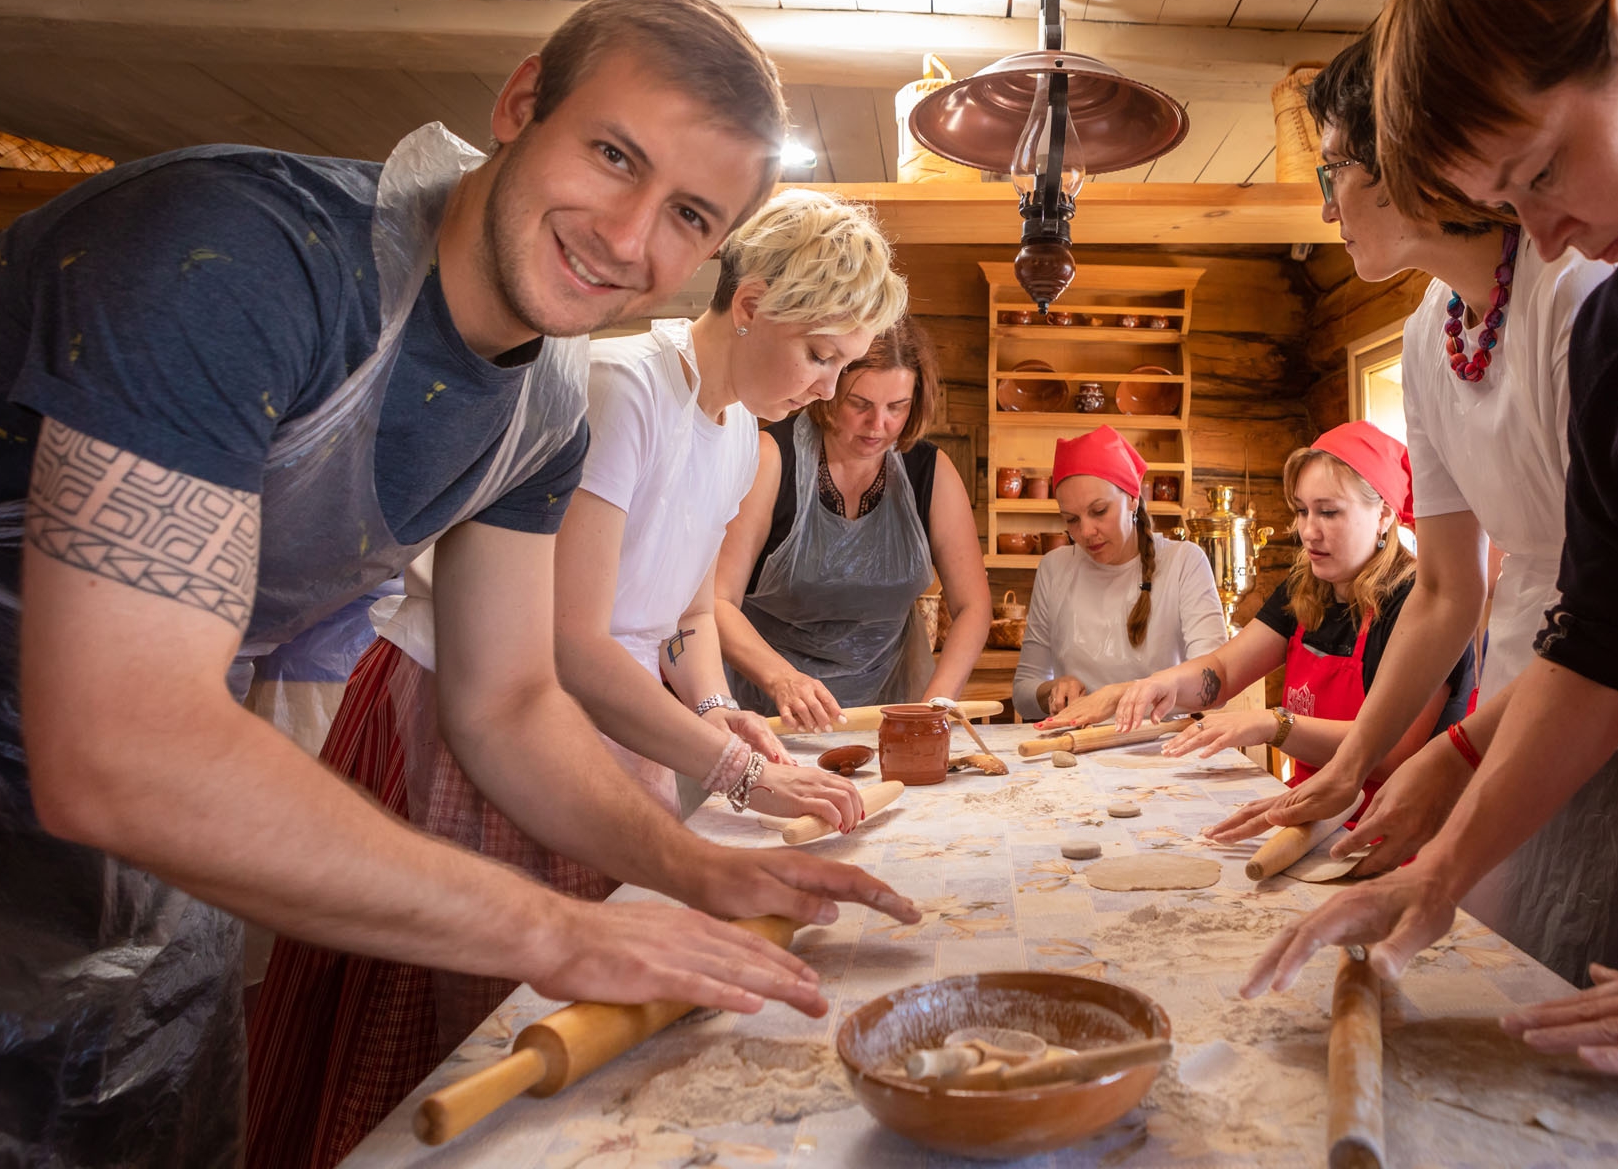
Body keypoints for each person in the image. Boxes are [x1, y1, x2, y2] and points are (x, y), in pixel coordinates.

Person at [0, 0, 918, 1165]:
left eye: (687, 214)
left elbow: (507, 701)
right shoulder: (242, 256)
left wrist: (694, 866)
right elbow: (123, 742)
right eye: (612, 154)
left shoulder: (541, 405)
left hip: (149, 858)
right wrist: (556, 934)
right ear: (518, 105)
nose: (625, 235)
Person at [245, 189, 907, 1163]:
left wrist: (722, 709)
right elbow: (572, 641)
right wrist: (740, 773)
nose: (826, 388)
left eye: (846, 366)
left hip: (609, 714)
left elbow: (680, 616)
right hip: (478, 704)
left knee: (611, 980)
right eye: (821, 356)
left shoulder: (736, 437)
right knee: (487, 1012)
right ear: (753, 301)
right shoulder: (619, 385)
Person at [1243, 0, 1618, 1082]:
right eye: (1510, 201)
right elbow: (1603, 639)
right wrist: (1443, 868)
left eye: (1542, 170)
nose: (1544, 230)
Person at [1048, 423, 1473, 818]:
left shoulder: (1417, 602)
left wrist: (1273, 724)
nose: (1308, 531)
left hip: (1404, 827)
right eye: (1303, 511)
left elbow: (1392, 750)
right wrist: (1148, 688)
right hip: (1314, 811)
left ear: (1383, 514)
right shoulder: (1308, 585)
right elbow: (1226, 669)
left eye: (1328, 512)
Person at [715, 316, 991, 730]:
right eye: (859, 404)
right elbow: (716, 602)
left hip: (894, 711)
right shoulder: (771, 459)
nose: (878, 425)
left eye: (896, 407)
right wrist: (783, 679)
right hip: (774, 714)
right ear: (827, 390)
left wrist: (935, 706)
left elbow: (973, 606)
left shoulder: (929, 472)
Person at [1012, 425, 1228, 722]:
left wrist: (1123, 697)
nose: (1086, 532)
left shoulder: (1184, 563)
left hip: (1158, 750)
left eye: (1099, 511)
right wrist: (1051, 690)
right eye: (1071, 520)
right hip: (1076, 750)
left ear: (1132, 498)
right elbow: (1023, 693)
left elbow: (1213, 682)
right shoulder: (1054, 568)